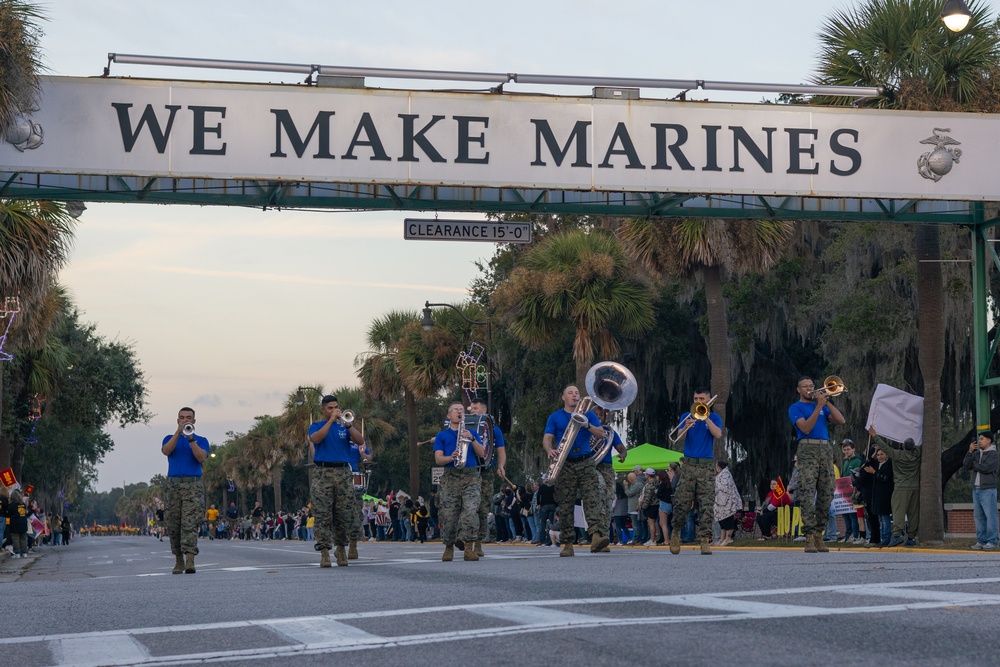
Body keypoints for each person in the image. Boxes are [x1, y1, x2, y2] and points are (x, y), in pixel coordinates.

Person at [542, 384, 613, 556]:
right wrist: (549, 449)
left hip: (586, 461)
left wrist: (587, 424)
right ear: (563, 397)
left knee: (593, 500)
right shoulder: (555, 416)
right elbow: (547, 438)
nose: (574, 395)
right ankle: (567, 543)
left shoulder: (589, 414)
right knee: (566, 504)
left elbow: (601, 434)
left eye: (576, 393)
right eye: (570, 393)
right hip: (565, 464)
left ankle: (596, 537)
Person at [308, 394, 365, 568]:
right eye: (330, 408)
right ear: (323, 410)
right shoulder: (316, 426)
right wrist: (331, 421)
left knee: (344, 514)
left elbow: (360, 440)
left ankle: (341, 549)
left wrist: (348, 425)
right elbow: (316, 439)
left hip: (343, 472)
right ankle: (324, 552)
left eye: (336, 407)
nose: (334, 411)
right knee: (322, 514)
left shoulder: (344, 427)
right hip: (323, 473)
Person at [789, 377, 845, 554]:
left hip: (825, 448)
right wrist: (819, 407)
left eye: (811, 386)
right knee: (807, 492)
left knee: (827, 492)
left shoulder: (820, 406)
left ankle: (819, 533)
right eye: (805, 386)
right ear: (798, 390)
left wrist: (826, 402)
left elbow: (841, 420)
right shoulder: (796, 408)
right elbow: (805, 428)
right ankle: (808, 536)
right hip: (807, 448)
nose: (809, 389)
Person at [669, 388, 724, 556]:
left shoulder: (714, 417)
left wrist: (706, 418)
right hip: (689, 465)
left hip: (706, 467)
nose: (698, 401)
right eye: (695, 398)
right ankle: (676, 533)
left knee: (706, 505)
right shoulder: (687, 416)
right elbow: (677, 439)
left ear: (709, 401)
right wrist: (685, 427)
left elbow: (718, 434)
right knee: (682, 502)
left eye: (702, 399)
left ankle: (704, 541)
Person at [434, 402, 485, 562]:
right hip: (451, 476)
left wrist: (472, 439)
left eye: (461, 410)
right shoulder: (442, 435)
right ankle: (449, 546)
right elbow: (438, 459)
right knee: (449, 514)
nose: (459, 412)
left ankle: (469, 547)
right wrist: (450, 457)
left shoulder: (472, 433)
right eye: (455, 410)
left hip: (471, 476)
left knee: (471, 510)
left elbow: (482, 453)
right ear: (449, 415)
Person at [161, 407, 210, 574]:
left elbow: (200, 457)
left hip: (192, 486)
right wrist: (178, 433)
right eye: (182, 418)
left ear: (194, 421)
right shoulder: (169, 438)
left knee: (190, 524)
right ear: (177, 420)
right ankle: (178, 560)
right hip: (173, 486)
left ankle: (190, 560)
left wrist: (191, 439)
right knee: (174, 524)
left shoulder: (201, 440)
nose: (185, 420)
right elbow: (166, 451)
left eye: (188, 418)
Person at [868, 426, 921, 547]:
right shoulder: (917, 454)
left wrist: (875, 436)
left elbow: (885, 447)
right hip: (915, 487)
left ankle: (897, 535)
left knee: (898, 512)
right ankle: (911, 537)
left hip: (901, 488)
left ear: (904, 446)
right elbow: (921, 444)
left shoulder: (897, 455)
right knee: (913, 513)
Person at [468, 398, 507, 557]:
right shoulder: (464, 427)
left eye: (476, 408)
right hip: (468, 472)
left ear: (484, 411)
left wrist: (501, 466)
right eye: (471, 409)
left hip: (485, 472)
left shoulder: (494, 430)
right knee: (467, 507)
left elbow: (501, 451)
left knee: (483, 508)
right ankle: (466, 540)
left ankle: (478, 543)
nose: (473, 411)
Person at [592, 406, 627, 552]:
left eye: (601, 414)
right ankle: (595, 536)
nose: (599, 416)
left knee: (608, 502)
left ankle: (604, 538)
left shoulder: (610, 432)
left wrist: (623, 454)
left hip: (607, 468)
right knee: (599, 495)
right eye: (596, 414)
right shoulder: (585, 430)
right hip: (592, 467)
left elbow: (621, 448)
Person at [964, 431, 998, 550]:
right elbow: (966, 465)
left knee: (990, 516)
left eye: (982, 439)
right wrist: (970, 452)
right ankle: (981, 541)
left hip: (988, 489)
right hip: (976, 489)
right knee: (978, 517)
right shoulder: (977, 453)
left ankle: (992, 541)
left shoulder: (993, 454)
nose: (979, 441)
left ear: (989, 440)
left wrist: (974, 465)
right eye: (979, 439)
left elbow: (986, 468)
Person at [856, 446, 893, 547]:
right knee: (880, 518)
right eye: (878, 455)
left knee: (884, 518)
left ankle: (886, 538)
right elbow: (867, 466)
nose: (880, 456)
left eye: (882, 454)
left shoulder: (888, 464)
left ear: (887, 455)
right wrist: (872, 456)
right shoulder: (877, 464)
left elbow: (885, 478)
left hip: (885, 494)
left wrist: (874, 472)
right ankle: (882, 537)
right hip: (877, 495)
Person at [347, 437, 372, 558]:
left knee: (356, 513)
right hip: (339, 474)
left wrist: (362, 453)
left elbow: (368, 459)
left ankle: (353, 545)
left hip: (354, 477)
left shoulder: (358, 442)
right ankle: (340, 546)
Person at [839, 440, 863, 542]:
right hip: (844, 492)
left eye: (848, 449)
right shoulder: (845, 462)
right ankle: (847, 534)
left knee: (853, 514)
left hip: (853, 491)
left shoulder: (857, 461)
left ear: (853, 449)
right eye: (844, 450)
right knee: (845, 514)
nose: (846, 451)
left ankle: (855, 534)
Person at [714, 460, 741, 546]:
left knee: (728, 520)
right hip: (720, 502)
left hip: (728, 503)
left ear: (719, 467)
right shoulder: (720, 475)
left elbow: (724, 487)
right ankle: (722, 539)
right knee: (722, 521)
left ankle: (728, 538)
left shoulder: (726, 475)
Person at [639, 468, 660, 545]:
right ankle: (654, 538)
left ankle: (652, 540)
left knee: (651, 523)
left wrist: (643, 507)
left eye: (646, 474)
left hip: (651, 506)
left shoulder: (649, 485)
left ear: (648, 475)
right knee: (654, 523)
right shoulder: (657, 483)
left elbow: (647, 497)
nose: (645, 475)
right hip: (656, 504)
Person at [6, 490, 28, 558]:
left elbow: (8, 514)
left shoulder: (12, 505)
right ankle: (24, 552)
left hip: (15, 523)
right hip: (23, 523)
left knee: (15, 538)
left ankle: (17, 553)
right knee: (23, 538)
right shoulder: (23, 504)